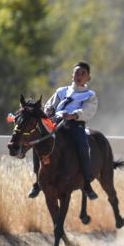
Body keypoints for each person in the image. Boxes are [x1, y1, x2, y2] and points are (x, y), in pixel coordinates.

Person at [28, 61, 99, 200]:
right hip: (56, 123)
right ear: (72, 75)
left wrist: (74, 115)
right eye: (77, 73)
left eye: (83, 73)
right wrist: (49, 110)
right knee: (38, 142)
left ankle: (86, 183)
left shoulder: (90, 95)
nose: (79, 76)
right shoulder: (61, 91)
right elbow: (50, 105)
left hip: (75, 125)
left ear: (88, 78)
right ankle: (37, 182)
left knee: (83, 146)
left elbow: (89, 110)